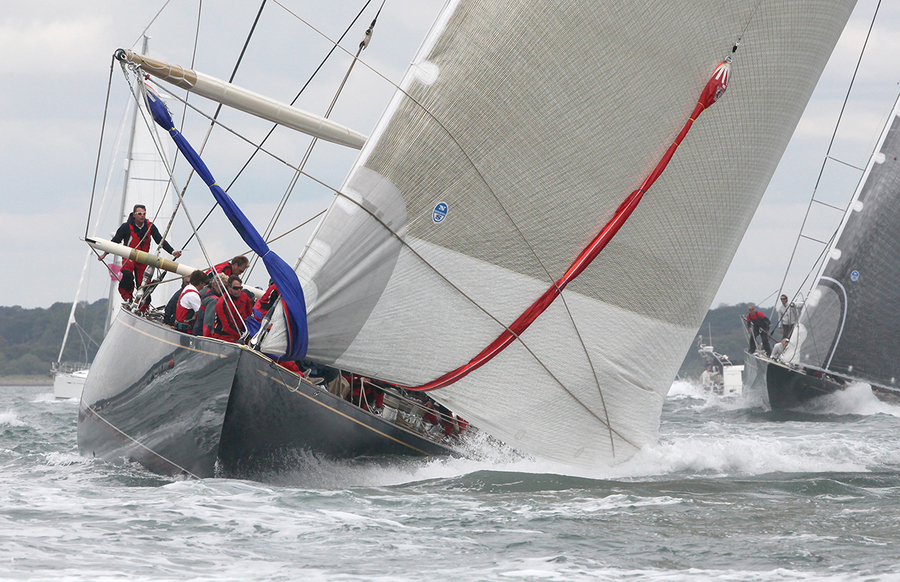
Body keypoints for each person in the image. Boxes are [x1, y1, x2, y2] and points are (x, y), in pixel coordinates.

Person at [98, 204, 182, 301]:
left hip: (143, 258)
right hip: (129, 256)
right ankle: (127, 298)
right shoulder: (126, 227)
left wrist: (172, 252)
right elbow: (115, 241)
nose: (142, 216)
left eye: (144, 213)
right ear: (134, 215)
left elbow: (160, 240)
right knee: (127, 274)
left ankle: (143, 305)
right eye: (139, 213)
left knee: (144, 284)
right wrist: (104, 254)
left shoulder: (150, 227)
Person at [209, 275, 252, 342]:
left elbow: (249, 313)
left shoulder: (244, 296)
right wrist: (243, 335)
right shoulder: (223, 303)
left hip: (240, 333)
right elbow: (227, 326)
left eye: (240, 288)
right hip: (223, 336)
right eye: (235, 288)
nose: (238, 290)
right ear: (229, 288)